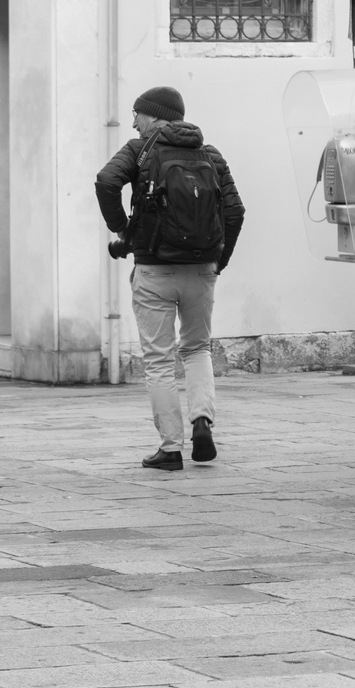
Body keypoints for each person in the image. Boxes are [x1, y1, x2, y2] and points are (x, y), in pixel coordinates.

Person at [96, 86, 245, 472]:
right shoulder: (209, 154)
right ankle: (202, 422)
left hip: (153, 269)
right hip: (201, 270)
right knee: (197, 349)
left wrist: (125, 232)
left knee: (159, 361)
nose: (133, 122)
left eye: (138, 114)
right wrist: (218, 261)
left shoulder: (138, 151)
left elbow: (106, 182)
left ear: (156, 117)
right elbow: (235, 211)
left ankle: (170, 448)